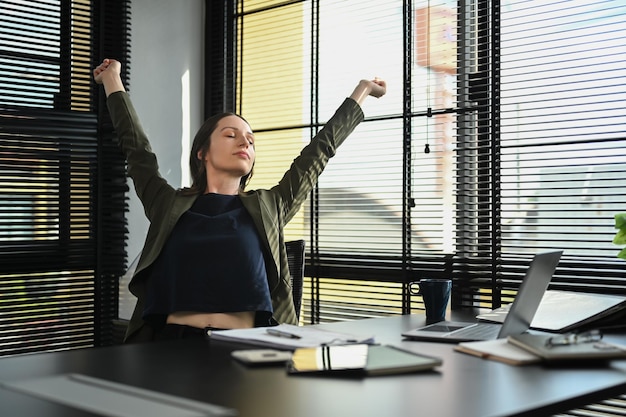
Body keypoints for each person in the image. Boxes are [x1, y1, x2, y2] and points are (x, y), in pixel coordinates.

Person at [93, 58, 386, 343]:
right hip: (170, 347)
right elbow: (137, 151)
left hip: (248, 347)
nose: (245, 142)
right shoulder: (168, 204)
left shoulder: (270, 205)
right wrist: (111, 79)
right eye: (231, 135)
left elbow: (319, 153)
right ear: (202, 152)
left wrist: (361, 91)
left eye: (250, 140)